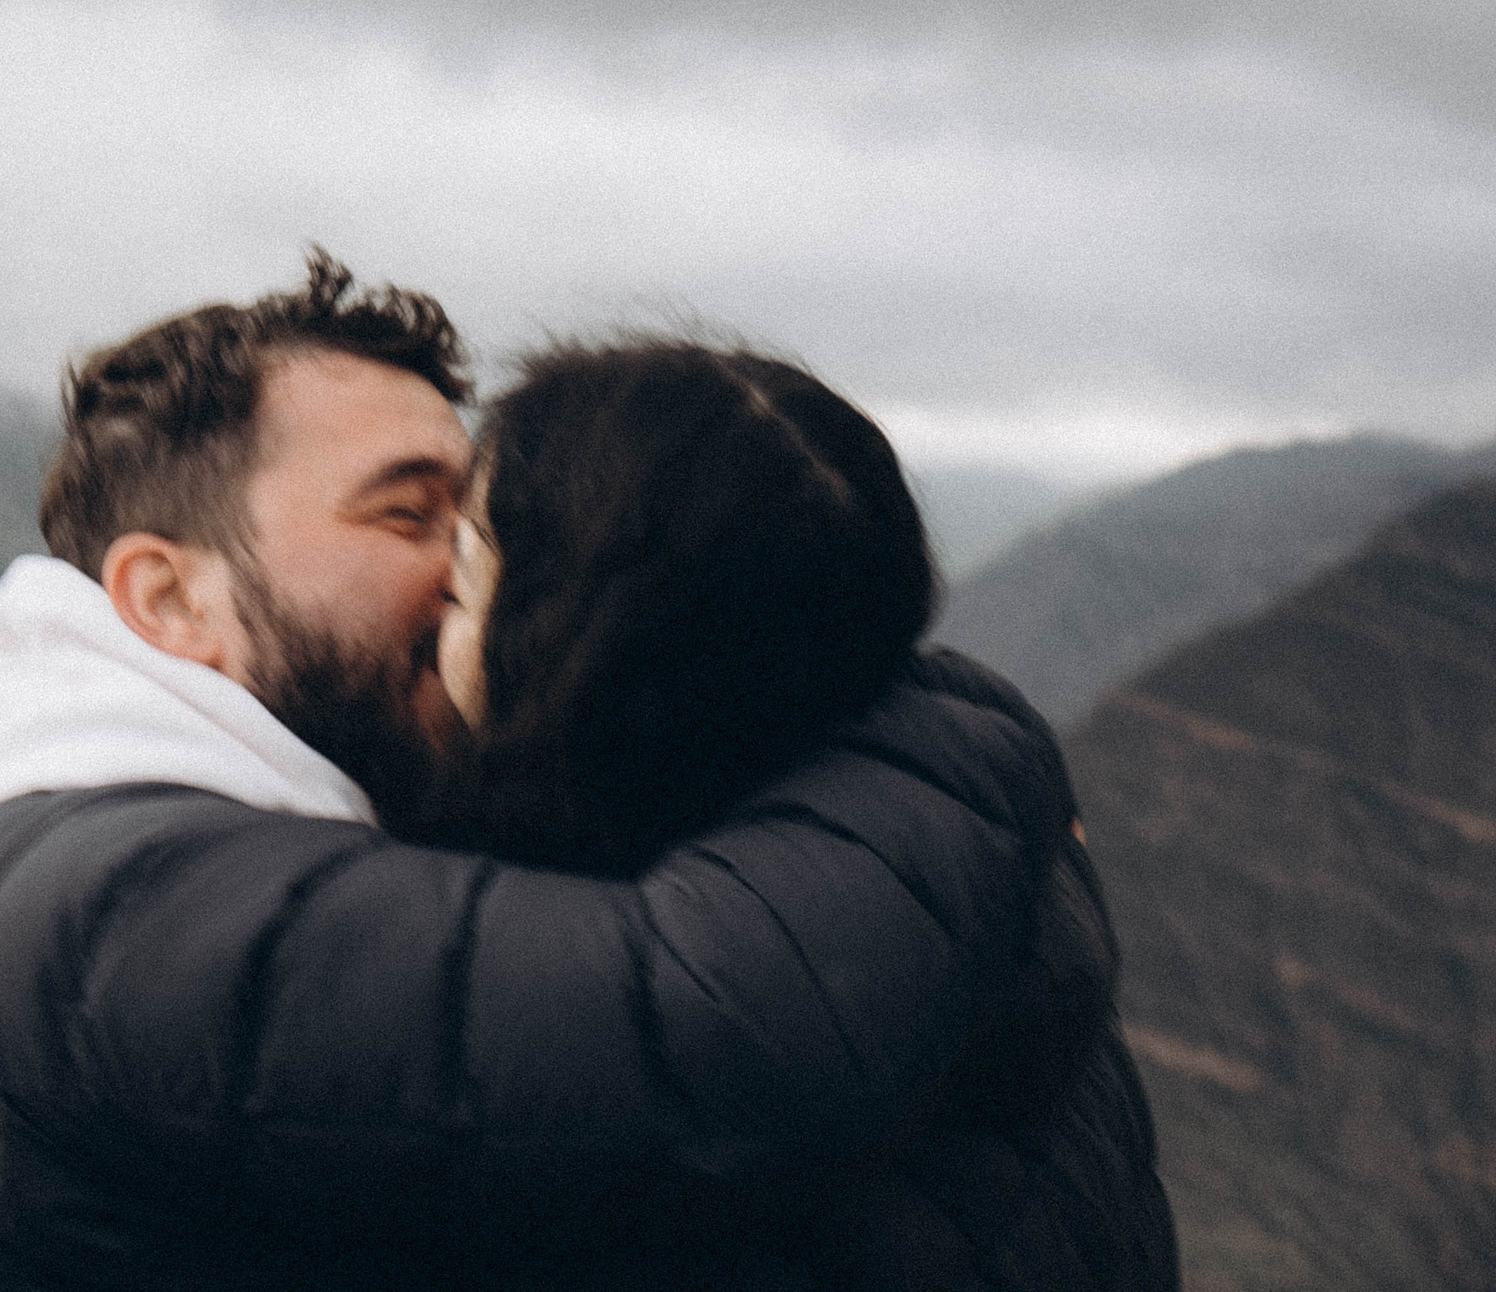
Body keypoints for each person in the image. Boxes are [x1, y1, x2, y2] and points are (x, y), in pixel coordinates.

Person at [0, 254, 1110, 1289]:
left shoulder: (229, 841)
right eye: (406, 513)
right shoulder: (112, 898)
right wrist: (936, 727)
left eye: (478, 516)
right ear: (170, 598)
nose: (473, 572)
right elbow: (707, 1040)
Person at [427, 338, 1178, 1288]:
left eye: (460, 578)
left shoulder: (646, 1096)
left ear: (568, 648)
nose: (425, 610)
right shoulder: (980, 908)